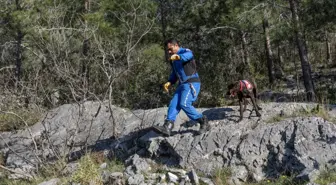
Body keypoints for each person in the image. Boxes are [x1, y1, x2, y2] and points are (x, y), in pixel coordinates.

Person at [157, 38, 210, 136]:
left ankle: (203, 121)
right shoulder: (173, 60)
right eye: (167, 50)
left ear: (176, 45)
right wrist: (169, 82)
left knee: (184, 104)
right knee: (173, 104)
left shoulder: (185, 51)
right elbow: (174, 74)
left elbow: (188, 56)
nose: (169, 52)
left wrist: (178, 56)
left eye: (170, 49)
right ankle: (167, 127)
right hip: (182, 85)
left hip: (191, 83)